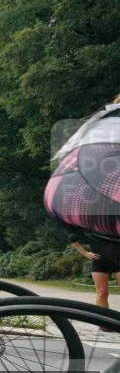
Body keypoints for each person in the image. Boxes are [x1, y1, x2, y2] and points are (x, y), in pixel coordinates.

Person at [45, 95, 120, 311]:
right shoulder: (106, 121)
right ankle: (105, 324)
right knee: (102, 291)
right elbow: (71, 235)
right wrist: (84, 252)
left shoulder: (101, 120)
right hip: (100, 252)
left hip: (62, 197)